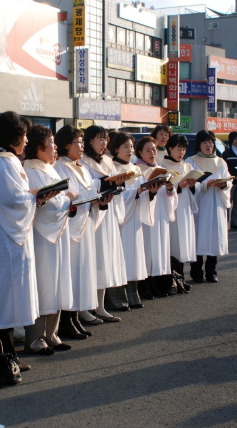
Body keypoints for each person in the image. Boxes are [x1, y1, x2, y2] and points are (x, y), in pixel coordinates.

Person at [0, 111, 56, 370]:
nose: (26, 140)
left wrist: (32, 196)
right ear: (15, 136)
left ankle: (6, 356)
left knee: (4, 301)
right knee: (3, 301)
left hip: (4, 237)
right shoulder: (4, 162)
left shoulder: (3, 160)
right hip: (3, 242)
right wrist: (35, 196)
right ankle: (0, 358)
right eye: (24, 135)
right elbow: (12, 201)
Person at [23, 125, 76, 354]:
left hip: (58, 231)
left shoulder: (49, 168)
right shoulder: (31, 169)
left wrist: (71, 200)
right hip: (42, 235)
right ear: (39, 147)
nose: (55, 147)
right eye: (51, 143)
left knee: (57, 282)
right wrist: (67, 199)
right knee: (43, 283)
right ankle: (35, 338)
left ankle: (51, 333)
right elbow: (46, 202)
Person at [54, 125, 101, 338]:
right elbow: (63, 196)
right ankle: (66, 320)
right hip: (70, 228)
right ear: (65, 145)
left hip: (84, 225)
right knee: (70, 274)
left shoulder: (81, 166)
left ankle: (75, 317)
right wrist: (77, 201)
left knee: (82, 272)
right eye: (78, 142)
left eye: (83, 142)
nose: (82, 146)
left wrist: (100, 198)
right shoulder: (60, 167)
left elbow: (88, 192)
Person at [80, 125, 128, 315]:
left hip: (106, 214)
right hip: (91, 215)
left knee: (104, 260)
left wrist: (119, 184)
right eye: (100, 139)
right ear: (89, 140)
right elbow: (85, 187)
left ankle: (100, 306)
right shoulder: (82, 161)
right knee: (91, 260)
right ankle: (85, 307)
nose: (104, 143)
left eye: (105, 139)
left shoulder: (108, 161)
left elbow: (116, 181)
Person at [109, 132, 159, 308]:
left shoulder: (137, 169)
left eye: (131, 146)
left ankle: (133, 292)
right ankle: (117, 296)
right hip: (121, 220)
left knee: (135, 255)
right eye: (125, 147)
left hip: (135, 218)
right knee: (121, 256)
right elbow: (115, 196)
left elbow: (142, 192)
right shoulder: (112, 168)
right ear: (116, 149)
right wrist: (135, 193)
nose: (130, 150)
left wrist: (150, 191)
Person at [186, 130, 232, 283]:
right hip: (200, 204)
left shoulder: (221, 162)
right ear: (199, 145)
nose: (208, 145)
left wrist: (224, 184)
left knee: (214, 236)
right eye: (205, 142)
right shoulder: (191, 162)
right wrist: (205, 185)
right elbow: (190, 183)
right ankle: (196, 271)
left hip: (217, 203)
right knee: (199, 235)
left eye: (211, 142)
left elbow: (229, 181)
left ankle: (211, 271)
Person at [135, 136, 177, 298]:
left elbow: (170, 197)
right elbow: (135, 193)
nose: (152, 153)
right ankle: (146, 286)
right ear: (140, 153)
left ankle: (159, 284)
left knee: (159, 249)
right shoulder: (137, 170)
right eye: (148, 150)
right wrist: (150, 193)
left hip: (160, 215)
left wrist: (170, 189)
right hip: (146, 215)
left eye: (154, 149)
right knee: (148, 250)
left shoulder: (161, 169)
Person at [158, 134, 198, 293]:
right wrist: (179, 186)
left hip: (185, 207)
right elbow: (163, 189)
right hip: (172, 208)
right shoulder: (162, 165)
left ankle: (180, 276)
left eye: (184, 149)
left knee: (183, 241)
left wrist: (193, 185)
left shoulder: (187, 166)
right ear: (170, 148)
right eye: (178, 148)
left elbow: (196, 190)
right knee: (173, 241)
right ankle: (171, 278)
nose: (181, 152)